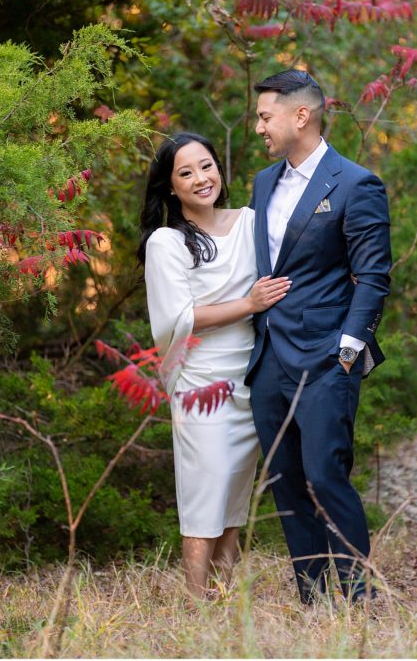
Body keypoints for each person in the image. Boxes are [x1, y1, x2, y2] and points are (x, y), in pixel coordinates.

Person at [245, 68, 392, 604]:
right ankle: (312, 597)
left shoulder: (356, 184)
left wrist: (349, 348)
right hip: (268, 360)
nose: (259, 127)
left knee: (326, 477)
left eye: (265, 117)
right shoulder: (263, 183)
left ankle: (356, 596)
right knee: (285, 483)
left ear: (300, 115)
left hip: (327, 358)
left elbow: (374, 275)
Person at [138, 132, 290, 600]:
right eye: (185, 172)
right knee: (205, 494)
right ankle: (196, 604)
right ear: (169, 187)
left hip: (250, 376)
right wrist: (248, 303)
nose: (201, 179)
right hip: (200, 381)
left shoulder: (249, 222)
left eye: (206, 166)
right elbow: (177, 319)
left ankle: (223, 601)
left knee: (232, 499)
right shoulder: (167, 242)